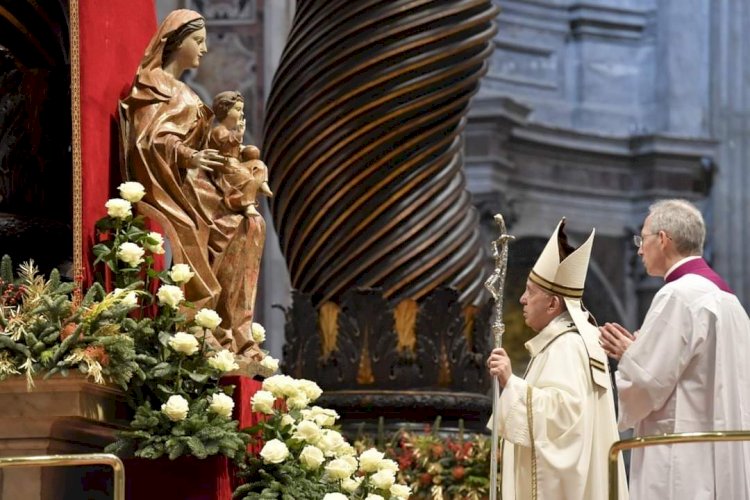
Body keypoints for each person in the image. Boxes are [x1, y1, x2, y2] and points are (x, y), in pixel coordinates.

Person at [120, 9, 265, 360]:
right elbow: (147, 141)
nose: (203, 50)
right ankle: (202, 321)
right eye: (197, 41)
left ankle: (235, 330)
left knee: (250, 225)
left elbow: (206, 146)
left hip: (195, 183)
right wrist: (189, 156)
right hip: (169, 185)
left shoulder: (186, 93)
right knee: (205, 227)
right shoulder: (153, 85)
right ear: (174, 41)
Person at [599, 199, 750, 499]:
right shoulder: (729, 300)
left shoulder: (677, 296)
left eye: (642, 239)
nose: (640, 250)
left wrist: (628, 354)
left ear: (663, 239)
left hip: (683, 458)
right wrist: (641, 350)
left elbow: (646, 383)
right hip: (725, 450)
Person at [487, 218, 627, 500]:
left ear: (553, 304)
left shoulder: (567, 346)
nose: (523, 300)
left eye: (531, 292)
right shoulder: (568, 342)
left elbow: (563, 418)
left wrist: (509, 382)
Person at [209, 91, 272, 217]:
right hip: (225, 167)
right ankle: (248, 205)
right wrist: (239, 134)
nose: (242, 114)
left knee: (259, 165)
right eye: (238, 109)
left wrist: (246, 149)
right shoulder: (218, 130)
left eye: (242, 110)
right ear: (225, 110)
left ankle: (262, 184)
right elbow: (228, 141)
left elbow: (236, 145)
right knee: (246, 175)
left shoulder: (230, 131)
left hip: (236, 165)